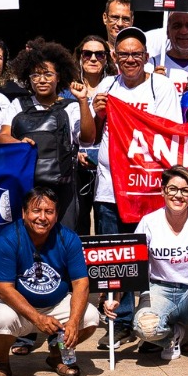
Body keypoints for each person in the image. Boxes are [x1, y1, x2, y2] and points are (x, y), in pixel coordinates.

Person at [91, 27, 181, 349]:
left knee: (146, 253)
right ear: (114, 57)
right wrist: (98, 113)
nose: (130, 59)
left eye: (136, 54)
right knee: (114, 256)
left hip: (146, 188)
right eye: (123, 54)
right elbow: (89, 136)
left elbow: (168, 133)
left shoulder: (162, 86)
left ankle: (153, 319)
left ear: (146, 56)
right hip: (109, 188)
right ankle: (120, 323)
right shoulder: (106, 86)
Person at [0, 186, 102, 376]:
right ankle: (1, 363)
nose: (42, 217)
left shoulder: (68, 238)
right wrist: (37, 318)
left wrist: (73, 322)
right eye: (36, 211)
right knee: (1, 318)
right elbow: (4, 289)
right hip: (19, 307)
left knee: (91, 317)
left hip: (56, 303)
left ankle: (57, 355)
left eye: (49, 211)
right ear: (24, 213)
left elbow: (81, 283)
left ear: (56, 215)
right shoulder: (7, 239)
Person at [119, 167, 188, 374]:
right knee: (144, 328)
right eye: (173, 189)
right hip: (160, 290)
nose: (178, 195)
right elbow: (132, 264)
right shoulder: (149, 222)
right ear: (163, 191)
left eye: (185, 191)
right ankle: (171, 336)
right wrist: (116, 296)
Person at [6, 38, 95, 232]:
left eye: (47, 74)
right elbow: (2, 136)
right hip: (27, 186)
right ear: (27, 78)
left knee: (64, 240)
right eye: (35, 75)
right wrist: (18, 142)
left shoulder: (71, 107)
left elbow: (88, 138)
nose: (42, 79)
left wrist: (83, 102)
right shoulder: (17, 105)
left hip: (63, 188)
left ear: (58, 76)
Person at [74, 35, 115, 234]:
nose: (93, 58)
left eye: (99, 54)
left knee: (104, 227)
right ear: (79, 57)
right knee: (78, 225)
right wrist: (75, 153)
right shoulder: (66, 90)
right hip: (75, 170)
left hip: (108, 170)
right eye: (87, 53)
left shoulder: (116, 87)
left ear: (107, 58)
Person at [144, 11, 188, 95]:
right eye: (177, 26)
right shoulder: (150, 65)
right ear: (167, 31)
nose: (184, 31)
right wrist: (151, 85)